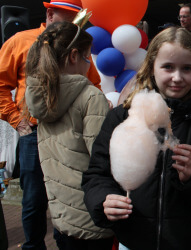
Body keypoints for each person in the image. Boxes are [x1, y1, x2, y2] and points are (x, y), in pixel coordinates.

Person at [82, 26, 191, 249]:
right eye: (168, 67)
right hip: (134, 240)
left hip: (190, 242)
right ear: (151, 68)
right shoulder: (122, 117)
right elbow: (97, 174)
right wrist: (104, 199)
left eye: (187, 68)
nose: (177, 77)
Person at [0, 0, 101, 249]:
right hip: (34, 132)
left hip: (70, 134)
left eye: (77, 19)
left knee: (70, 193)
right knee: (34, 199)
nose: (73, 24)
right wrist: (18, 120)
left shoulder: (78, 48)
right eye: (68, 17)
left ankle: (65, 240)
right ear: (50, 13)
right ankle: (34, 245)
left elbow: (93, 84)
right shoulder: (21, 41)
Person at [24, 21, 114, 249]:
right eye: (87, 58)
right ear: (74, 56)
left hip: (62, 217)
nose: (89, 65)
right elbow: (102, 159)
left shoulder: (42, 96)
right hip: (93, 216)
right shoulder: (90, 97)